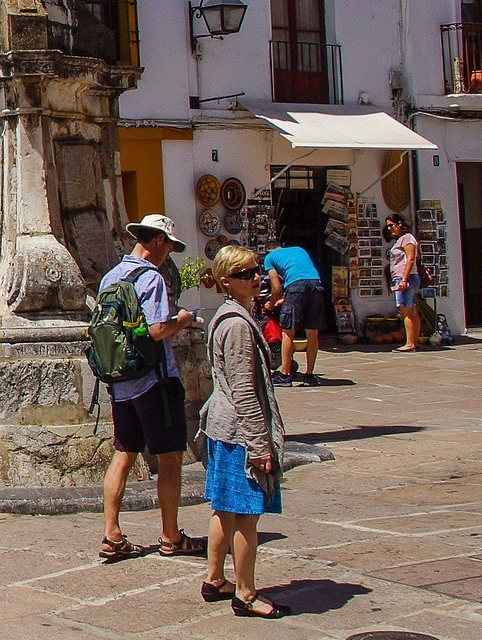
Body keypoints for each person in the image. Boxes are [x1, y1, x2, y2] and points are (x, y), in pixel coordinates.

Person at [98, 213, 206, 561]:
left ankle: (112, 533)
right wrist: (183, 320)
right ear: (157, 240)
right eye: (170, 247)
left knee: (124, 453)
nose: (169, 254)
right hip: (154, 381)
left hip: (121, 382)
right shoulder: (151, 278)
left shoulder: (111, 277)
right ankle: (171, 536)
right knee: (170, 457)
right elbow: (158, 330)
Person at [198, 245, 291, 619]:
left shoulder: (231, 315)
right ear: (226, 282)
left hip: (224, 427)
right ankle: (246, 593)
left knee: (223, 508)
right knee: (246, 517)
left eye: (257, 270)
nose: (257, 278)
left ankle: (215, 578)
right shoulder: (236, 324)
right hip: (238, 432)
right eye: (247, 274)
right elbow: (244, 390)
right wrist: (259, 445)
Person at [262, 244, 327, 386]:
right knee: (312, 333)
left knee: (287, 331)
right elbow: (303, 280)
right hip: (315, 285)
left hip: (295, 286)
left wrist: (271, 304)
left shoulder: (269, 258)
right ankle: (309, 375)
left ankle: (284, 375)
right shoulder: (299, 249)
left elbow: (276, 287)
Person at [385, 214, 422, 352]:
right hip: (402, 277)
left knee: (405, 309)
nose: (389, 228)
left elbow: (411, 258)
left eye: (391, 225)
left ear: (399, 223)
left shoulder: (407, 238)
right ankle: (414, 341)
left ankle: (410, 343)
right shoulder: (400, 240)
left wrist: (404, 279)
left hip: (405, 277)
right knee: (412, 309)